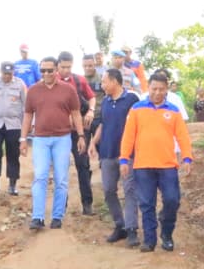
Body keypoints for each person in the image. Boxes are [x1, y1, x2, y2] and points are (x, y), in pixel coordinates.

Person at [120, 72, 193, 252]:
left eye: (161, 89)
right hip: (142, 165)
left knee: (172, 200)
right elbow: (128, 136)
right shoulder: (137, 109)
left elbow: (182, 136)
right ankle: (150, 240)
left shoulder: (173, 110)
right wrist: (123, 158)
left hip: (167, 165)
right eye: (154, 89)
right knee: (146, 203)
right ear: (149, 89)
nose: (157, 92)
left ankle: (167, 234)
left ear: (166, 90)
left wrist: (187, 157)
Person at [21, 56, 85, 230]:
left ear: (56, 70)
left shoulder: (68, 90)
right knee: (40, 176)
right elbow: (27, 115)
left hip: (62, 139)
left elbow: (76, 113)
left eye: (49, 70)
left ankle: (57, 216)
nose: (46, 74)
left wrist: (81, 136)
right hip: (40, 139)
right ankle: (38, 217)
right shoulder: (33, 91)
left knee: (61, 179)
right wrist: (23, 138)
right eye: (42, 70)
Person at [90, 67, 140, 245]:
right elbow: (103, 124)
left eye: (104, 81)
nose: (102, 85)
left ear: (114, 81)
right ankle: (120, 225)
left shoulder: (132, 99)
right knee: (109, 190)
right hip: (107, 152)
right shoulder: (104, 102)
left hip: (127, 154)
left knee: (129, 190)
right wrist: (93, 142)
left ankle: (132, 229)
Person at [57, 51, 96, 215]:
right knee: (61, 168)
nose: (66, 70)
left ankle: (87, 204)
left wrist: (91, 111)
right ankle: (61, 206)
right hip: (60, 131)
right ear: (58, 65)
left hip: (80, 131)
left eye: (69, 67)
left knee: (83, 165)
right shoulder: (53, 81)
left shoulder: (79, 80)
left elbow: (91, 97)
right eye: (63, 67)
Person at [0, 61, 28, 195]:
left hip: (14, 124)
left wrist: (25, 128)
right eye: (5, 74)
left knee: (13, 154)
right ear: (0, 72)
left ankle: (12, 184)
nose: (7, 76)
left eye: (10, 74)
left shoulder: (19, 84)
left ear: (13, 73)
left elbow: (25, 106)